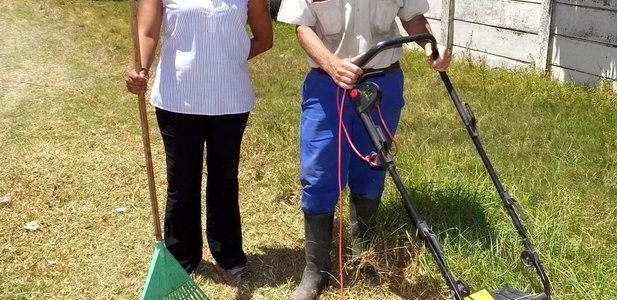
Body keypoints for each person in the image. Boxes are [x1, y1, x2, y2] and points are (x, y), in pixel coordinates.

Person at [276, 1, 451, 298]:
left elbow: (413, 18)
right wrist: (331, 63)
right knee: (319, 172)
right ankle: (315, 269)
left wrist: (431, 44)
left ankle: (363, 254)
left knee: (373, 166)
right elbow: (303, 27)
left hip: (383, 83)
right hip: (327, 85)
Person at [124, 0, 273, 282]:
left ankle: (229, 255)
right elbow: (148, 32)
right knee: (181, 182)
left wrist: (228, 57)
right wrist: (141, 69)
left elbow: (265, 39)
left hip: (231, 101)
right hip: (176, 100)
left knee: (225, 181)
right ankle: (181, 259)